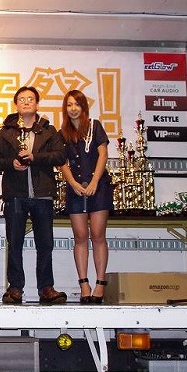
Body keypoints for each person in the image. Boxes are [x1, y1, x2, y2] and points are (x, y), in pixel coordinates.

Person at [0, 86, 67, 305]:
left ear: (37, 104)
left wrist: (35, 157)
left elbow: (60, 156)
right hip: (15, 193)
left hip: (42, 194)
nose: (26, 102)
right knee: (14, 242)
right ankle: (15, 288)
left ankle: (46, 288)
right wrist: (11, 163)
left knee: (46, 243)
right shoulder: (6, 132)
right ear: (16, 104)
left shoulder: (48, 130)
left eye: (30, 99)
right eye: (21, 99)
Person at [58, 89, 112, 304]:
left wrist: (95, 181)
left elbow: (103, 154)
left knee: (98, 235)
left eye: (77, 104)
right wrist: (73, 183)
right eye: (69, 104)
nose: (73, 108)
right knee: (80, 236)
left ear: (84, 107)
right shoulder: (62, 133)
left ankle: (100, 283)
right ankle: (84, 284)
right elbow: (62, 162)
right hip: (75, 189)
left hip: (98, 187)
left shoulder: (95, 126)